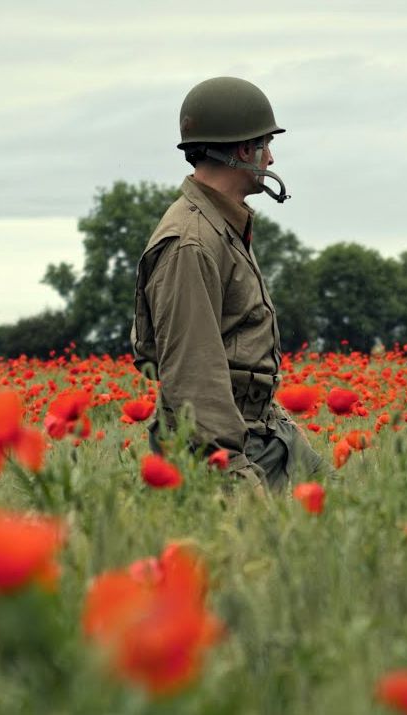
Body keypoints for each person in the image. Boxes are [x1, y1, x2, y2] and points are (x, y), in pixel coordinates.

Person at [131, 76, 326, 488]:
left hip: (263, 430)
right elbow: (192, 375)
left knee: (350, 519)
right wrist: (233, 477)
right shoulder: (191, 242)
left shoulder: (222, 223)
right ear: (243, 150)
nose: (270, 159)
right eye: (265, 145)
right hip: (226, 447)